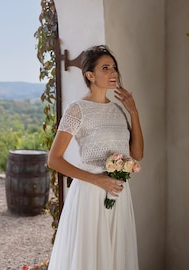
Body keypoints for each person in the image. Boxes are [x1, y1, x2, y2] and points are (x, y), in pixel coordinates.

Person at [47, 45, 144, 270]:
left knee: (115, 257)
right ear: (90, 75)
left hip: (118, 194)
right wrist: (99, 180)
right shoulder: (77, 109)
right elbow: (54, 159)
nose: (113, 73)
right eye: (105, 68)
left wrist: (134, 112)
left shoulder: (119, 110)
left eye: (114, 68)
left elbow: (137, 154)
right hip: (91, 194)